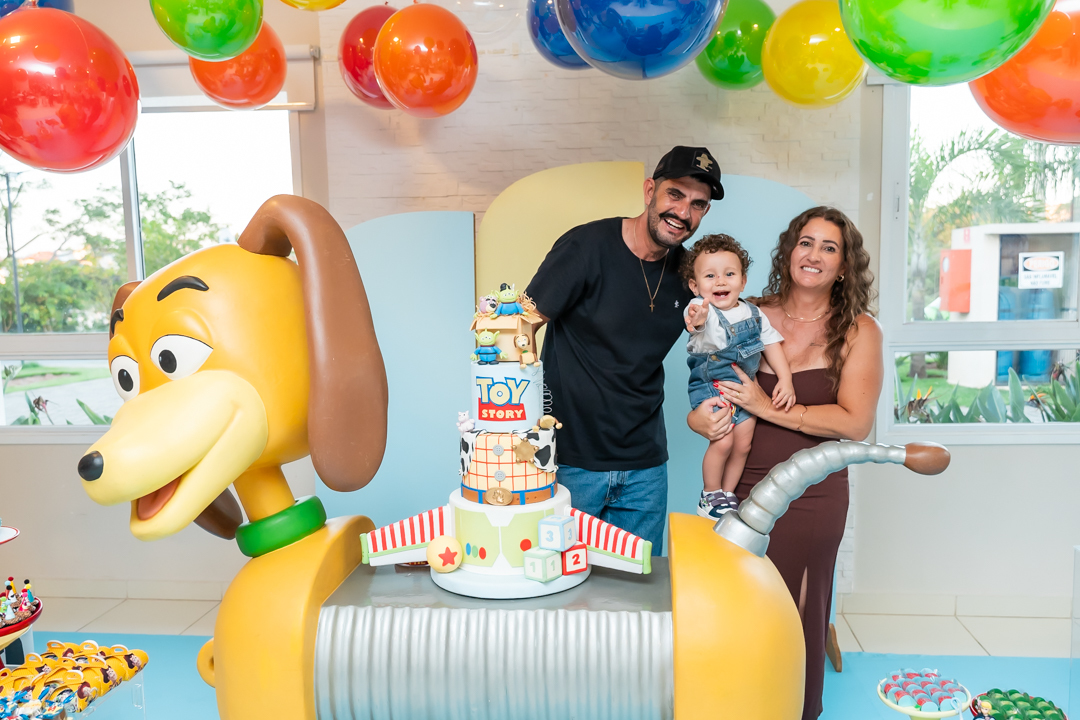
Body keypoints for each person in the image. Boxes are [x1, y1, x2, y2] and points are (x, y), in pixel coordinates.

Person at [712, 206, 882, 720]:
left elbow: (855, 423)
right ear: (789, 251)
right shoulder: (747, 313)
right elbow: (708, 382)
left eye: (830, 248)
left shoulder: (859, 331)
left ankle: (798, 711)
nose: (814, 255)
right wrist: (706, 420)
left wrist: (768, 408)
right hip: (740, 487)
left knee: (798, 614)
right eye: (805, 242)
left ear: (844, 266)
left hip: (812, 494)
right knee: (741, 613)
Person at [525, 146, 730, 552]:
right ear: (650, 190)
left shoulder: (691, 274)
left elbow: (731, 331)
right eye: (675, 195)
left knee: (638, 585)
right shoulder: (586, 246)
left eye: (697, 204)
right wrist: (526, 424)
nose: (683, 212)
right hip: (570, 461)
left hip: (645, 469)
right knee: (561, 580)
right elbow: (521, 327)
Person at [681, 234, 795, 520]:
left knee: (743, 444)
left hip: (745, 390)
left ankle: (727, 495)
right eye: (710, 276)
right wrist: (697, 318)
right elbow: (696, 322)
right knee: (723, 442)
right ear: (695, 286)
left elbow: (771, 344)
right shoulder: (703, 310)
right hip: (712, 387)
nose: (720, 281)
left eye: (729, 274)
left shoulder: (754, 313)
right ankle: (709, 494)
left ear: (743, 281)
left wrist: (785, 379)